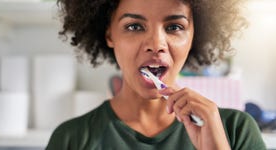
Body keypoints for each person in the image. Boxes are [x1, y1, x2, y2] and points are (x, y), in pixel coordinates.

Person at [46, 0, 266, 149]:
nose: (156, 44)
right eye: (134, 27)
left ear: (193, 36)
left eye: (174, 27)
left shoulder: (237, 131)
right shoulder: (71, 139)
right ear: (109, 35)